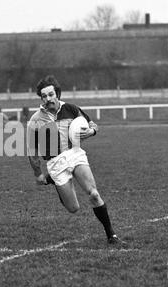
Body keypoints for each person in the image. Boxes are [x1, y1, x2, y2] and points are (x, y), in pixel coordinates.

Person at [27, 75, 126, 246]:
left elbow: (93, 125)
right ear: (41, 98)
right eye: (44, 96)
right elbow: (32, 151)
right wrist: (38, 174)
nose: (48, 99)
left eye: (51, 94)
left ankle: (111, 235)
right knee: (73, 208)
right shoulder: (35, 120)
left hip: (75, 153)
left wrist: (91, 132)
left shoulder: (72, 109)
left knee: (94, 194)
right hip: (55, 162)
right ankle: (53, 179)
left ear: (57, 93)